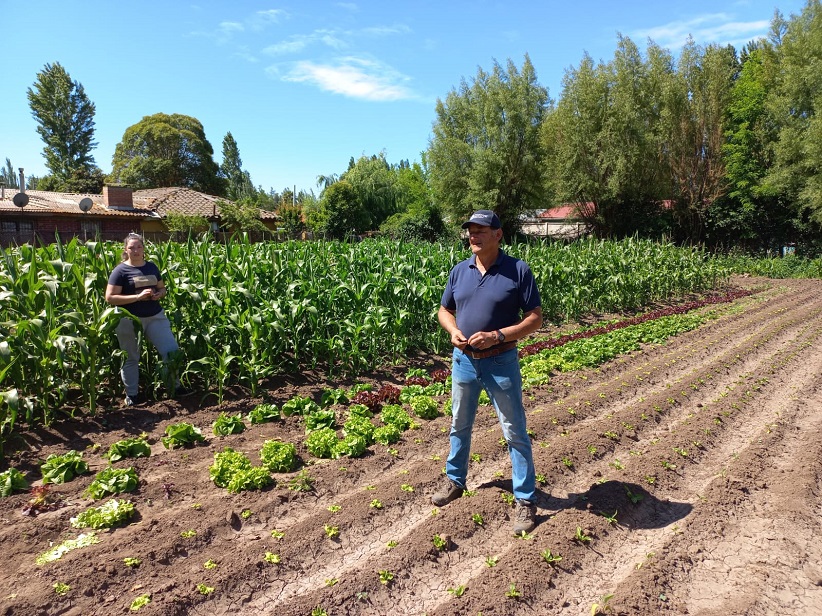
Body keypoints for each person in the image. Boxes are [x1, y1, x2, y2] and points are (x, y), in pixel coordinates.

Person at [434, 210, 543, 535]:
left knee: (514, 431)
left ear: (498, 234)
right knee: (458, 424)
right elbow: (444, 309)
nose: (474, 235)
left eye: (481, 230)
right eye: (470, 230)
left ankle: (525, 500)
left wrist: (498, 335)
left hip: (500, 362)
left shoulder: (517, 270)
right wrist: (452, 330)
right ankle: (455, 481)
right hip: (464, 360)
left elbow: (535, 318)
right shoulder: (460, 270)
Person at [105, 233, 189, 406]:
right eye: (131, 247)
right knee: (131, 357)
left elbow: (162, 288)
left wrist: (159, 294)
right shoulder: (120, 271)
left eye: (139, 247)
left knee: (171, 351)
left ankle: (175, 387)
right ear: (125, 250)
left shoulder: (151, 267)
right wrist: (137, 297)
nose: (135, 250)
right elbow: (110, 298)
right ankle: (132, 395)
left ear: (144, 249)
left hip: (155, 316)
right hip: (129, 319)